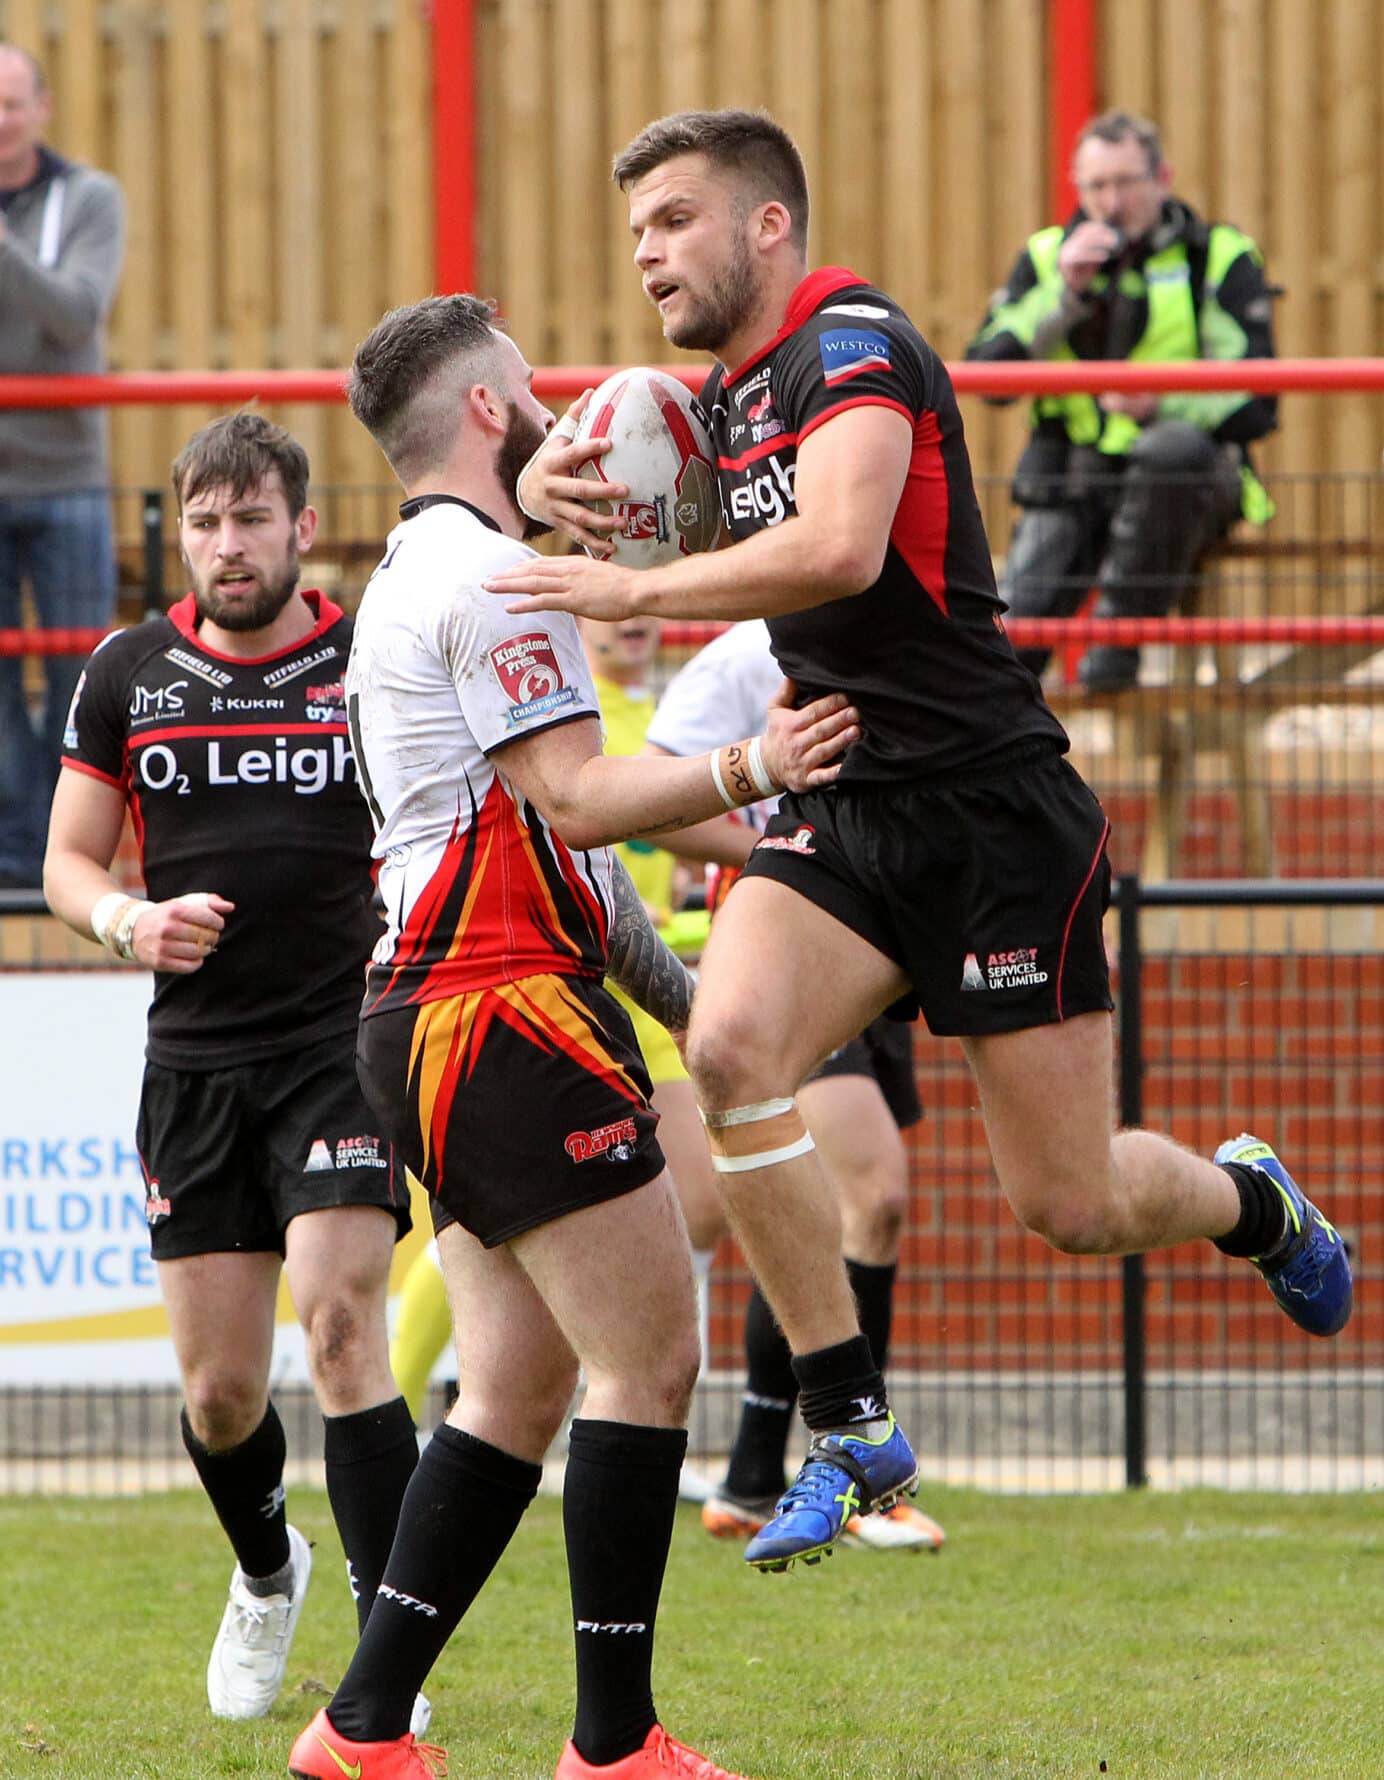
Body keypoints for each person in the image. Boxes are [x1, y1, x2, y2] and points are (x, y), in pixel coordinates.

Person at [487, 106, 1352, 1577]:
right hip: (843, 794)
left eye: (676, 219)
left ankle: (1248, 1200)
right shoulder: (720, 396)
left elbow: (839, 547)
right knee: (735, 1049)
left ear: (769, 224)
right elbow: (610, 494)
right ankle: (849, 1423)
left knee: (1071, 1206)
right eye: (636, 229)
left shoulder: (855, 344)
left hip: (996, 811)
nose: (648, 252)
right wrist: (535, 489)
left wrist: (630, 595)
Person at [288, 293, 859, 1780]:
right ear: (486, 413)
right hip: (498, 1015)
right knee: (651, 1361)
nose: (553, 406)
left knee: (521, 1385)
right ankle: (615, 1748)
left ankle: (362, 1732)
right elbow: (583, 803)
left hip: (431, 1016)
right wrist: (758, 763)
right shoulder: (491, 578)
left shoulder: (427, 569)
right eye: (527, 386)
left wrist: (705, 1018)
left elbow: (578, 875)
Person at [43, 414, 423, 1727]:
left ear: (302, 527)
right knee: (217, 1393)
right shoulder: (126, 673)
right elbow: (68, 865)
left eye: (250, 517)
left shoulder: (369, 656)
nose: (226, 544)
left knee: (338, 1325)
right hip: (195, 1066)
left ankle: (385, 1661)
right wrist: (127, 924)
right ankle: (268, 1572)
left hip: (342, 1046)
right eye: (203, 521)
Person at [645, 618, 944, 1555]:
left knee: (840, 1203)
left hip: (890, 940)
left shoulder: (919, 634)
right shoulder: (744, 656)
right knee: (869, 1194)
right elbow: (656, 796)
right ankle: (857, 1468)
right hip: (796, 946)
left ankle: (751, 1472)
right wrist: (787, 863)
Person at [966, 108, 1278, 692]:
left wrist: (1165, 402)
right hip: (1076, 482)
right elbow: (988, 377)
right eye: (1095, 186)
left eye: (1126, 182)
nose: (1110, 202)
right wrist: (1065, 297)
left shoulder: (1217, 255)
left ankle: (1117, 640)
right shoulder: (1046, 259)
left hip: (1189, 485)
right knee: (998, 657)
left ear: (1164, 178)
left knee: (1173, 450)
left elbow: (1259, 398)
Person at [0, 42, 125, 886]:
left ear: (41, 108)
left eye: (11, 103)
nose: (0, 122)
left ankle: (64, 849)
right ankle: (14, 859)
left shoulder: (88, 198)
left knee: (83, 672)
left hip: (68, 470)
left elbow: (76, 311)